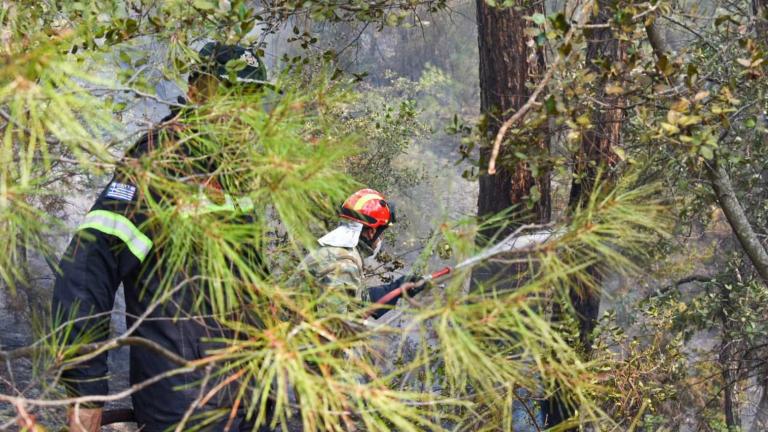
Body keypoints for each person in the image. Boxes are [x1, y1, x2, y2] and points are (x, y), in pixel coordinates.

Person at [52, 42, 269, 432]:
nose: (241, 110)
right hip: (185, 402)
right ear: (197, 90)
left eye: (251, 96)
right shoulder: (159, 160)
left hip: (245, 394)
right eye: (230, 92)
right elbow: (87, 269)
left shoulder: (236, 174)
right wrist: (86, 392)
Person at [300, 188, 424, 320]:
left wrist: (397, 288)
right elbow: (333, 327)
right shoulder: (343, 263)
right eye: (380, 234)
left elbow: (355, 301)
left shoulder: (337, 252)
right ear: (371, 232)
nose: (380, 239)